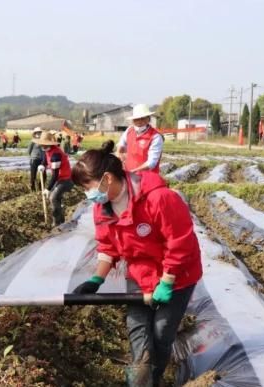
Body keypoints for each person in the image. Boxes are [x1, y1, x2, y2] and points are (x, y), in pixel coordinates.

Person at [71, 140, 202, 386]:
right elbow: (108, 246)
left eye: (87, 187)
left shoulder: (159, 198)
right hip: (140, 273)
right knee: (137, 326)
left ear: (106, 178)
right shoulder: (103, 209)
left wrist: (167, 281)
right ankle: (141, 375)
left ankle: (155, 377)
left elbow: (180, 242)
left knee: (162, 331)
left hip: (178, 274)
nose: (87, 194)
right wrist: (96, 279)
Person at [34, 131, 74, 226]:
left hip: (65, 179)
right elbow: (45, 158)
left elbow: (55, 175)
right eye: (41, 144)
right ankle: (61, 219)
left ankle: (57, 222)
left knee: (53, 198)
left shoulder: (56, 155)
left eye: (44, 144)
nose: (42, 146)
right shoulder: (47, 150)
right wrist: (42, 165)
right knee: (57, 199)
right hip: (60, 178)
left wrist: (48, 189)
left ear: (48, 144)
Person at [116, 104, 163, 173]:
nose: (139, 121)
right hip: (129, 174)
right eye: (136, 119)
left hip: (147, 177)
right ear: (133, 120)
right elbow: (121, 146)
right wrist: (119, 154)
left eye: (142, 118)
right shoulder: (129, 130)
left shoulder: (155, 137)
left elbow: (151, 163)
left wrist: (134, 171)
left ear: (148, 119)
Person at [28, 127, 45, 192]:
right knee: (33, 175)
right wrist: (33, 156)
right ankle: (32, 189)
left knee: (44, 175)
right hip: (34, 160)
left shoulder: (43, 141)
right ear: (35, 134)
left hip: (42, 160)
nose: (38, 134)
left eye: (40, 132)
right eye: (37, 133)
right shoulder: (33, 141)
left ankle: (41, 187)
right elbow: (29, 151)